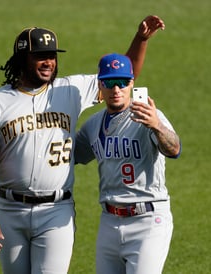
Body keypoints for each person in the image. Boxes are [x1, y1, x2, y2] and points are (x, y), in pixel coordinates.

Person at [0, 16, 165, 274]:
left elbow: (121, 76)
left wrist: (141, 39)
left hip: (56, 212)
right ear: (22, 59)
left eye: (52, 55)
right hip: (10, 210)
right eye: (40, 56)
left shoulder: (70, 89)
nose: (49, 62)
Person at [75, 53, 181, 274]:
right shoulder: (93, 125)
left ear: (132, 83)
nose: (116, 89)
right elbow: (67, 157)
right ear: (100, 86)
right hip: (109, 221)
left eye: (123, 82)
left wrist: (156, 126)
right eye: (110, 82)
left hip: (149, 220)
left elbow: (174, 149)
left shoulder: (148, 116)